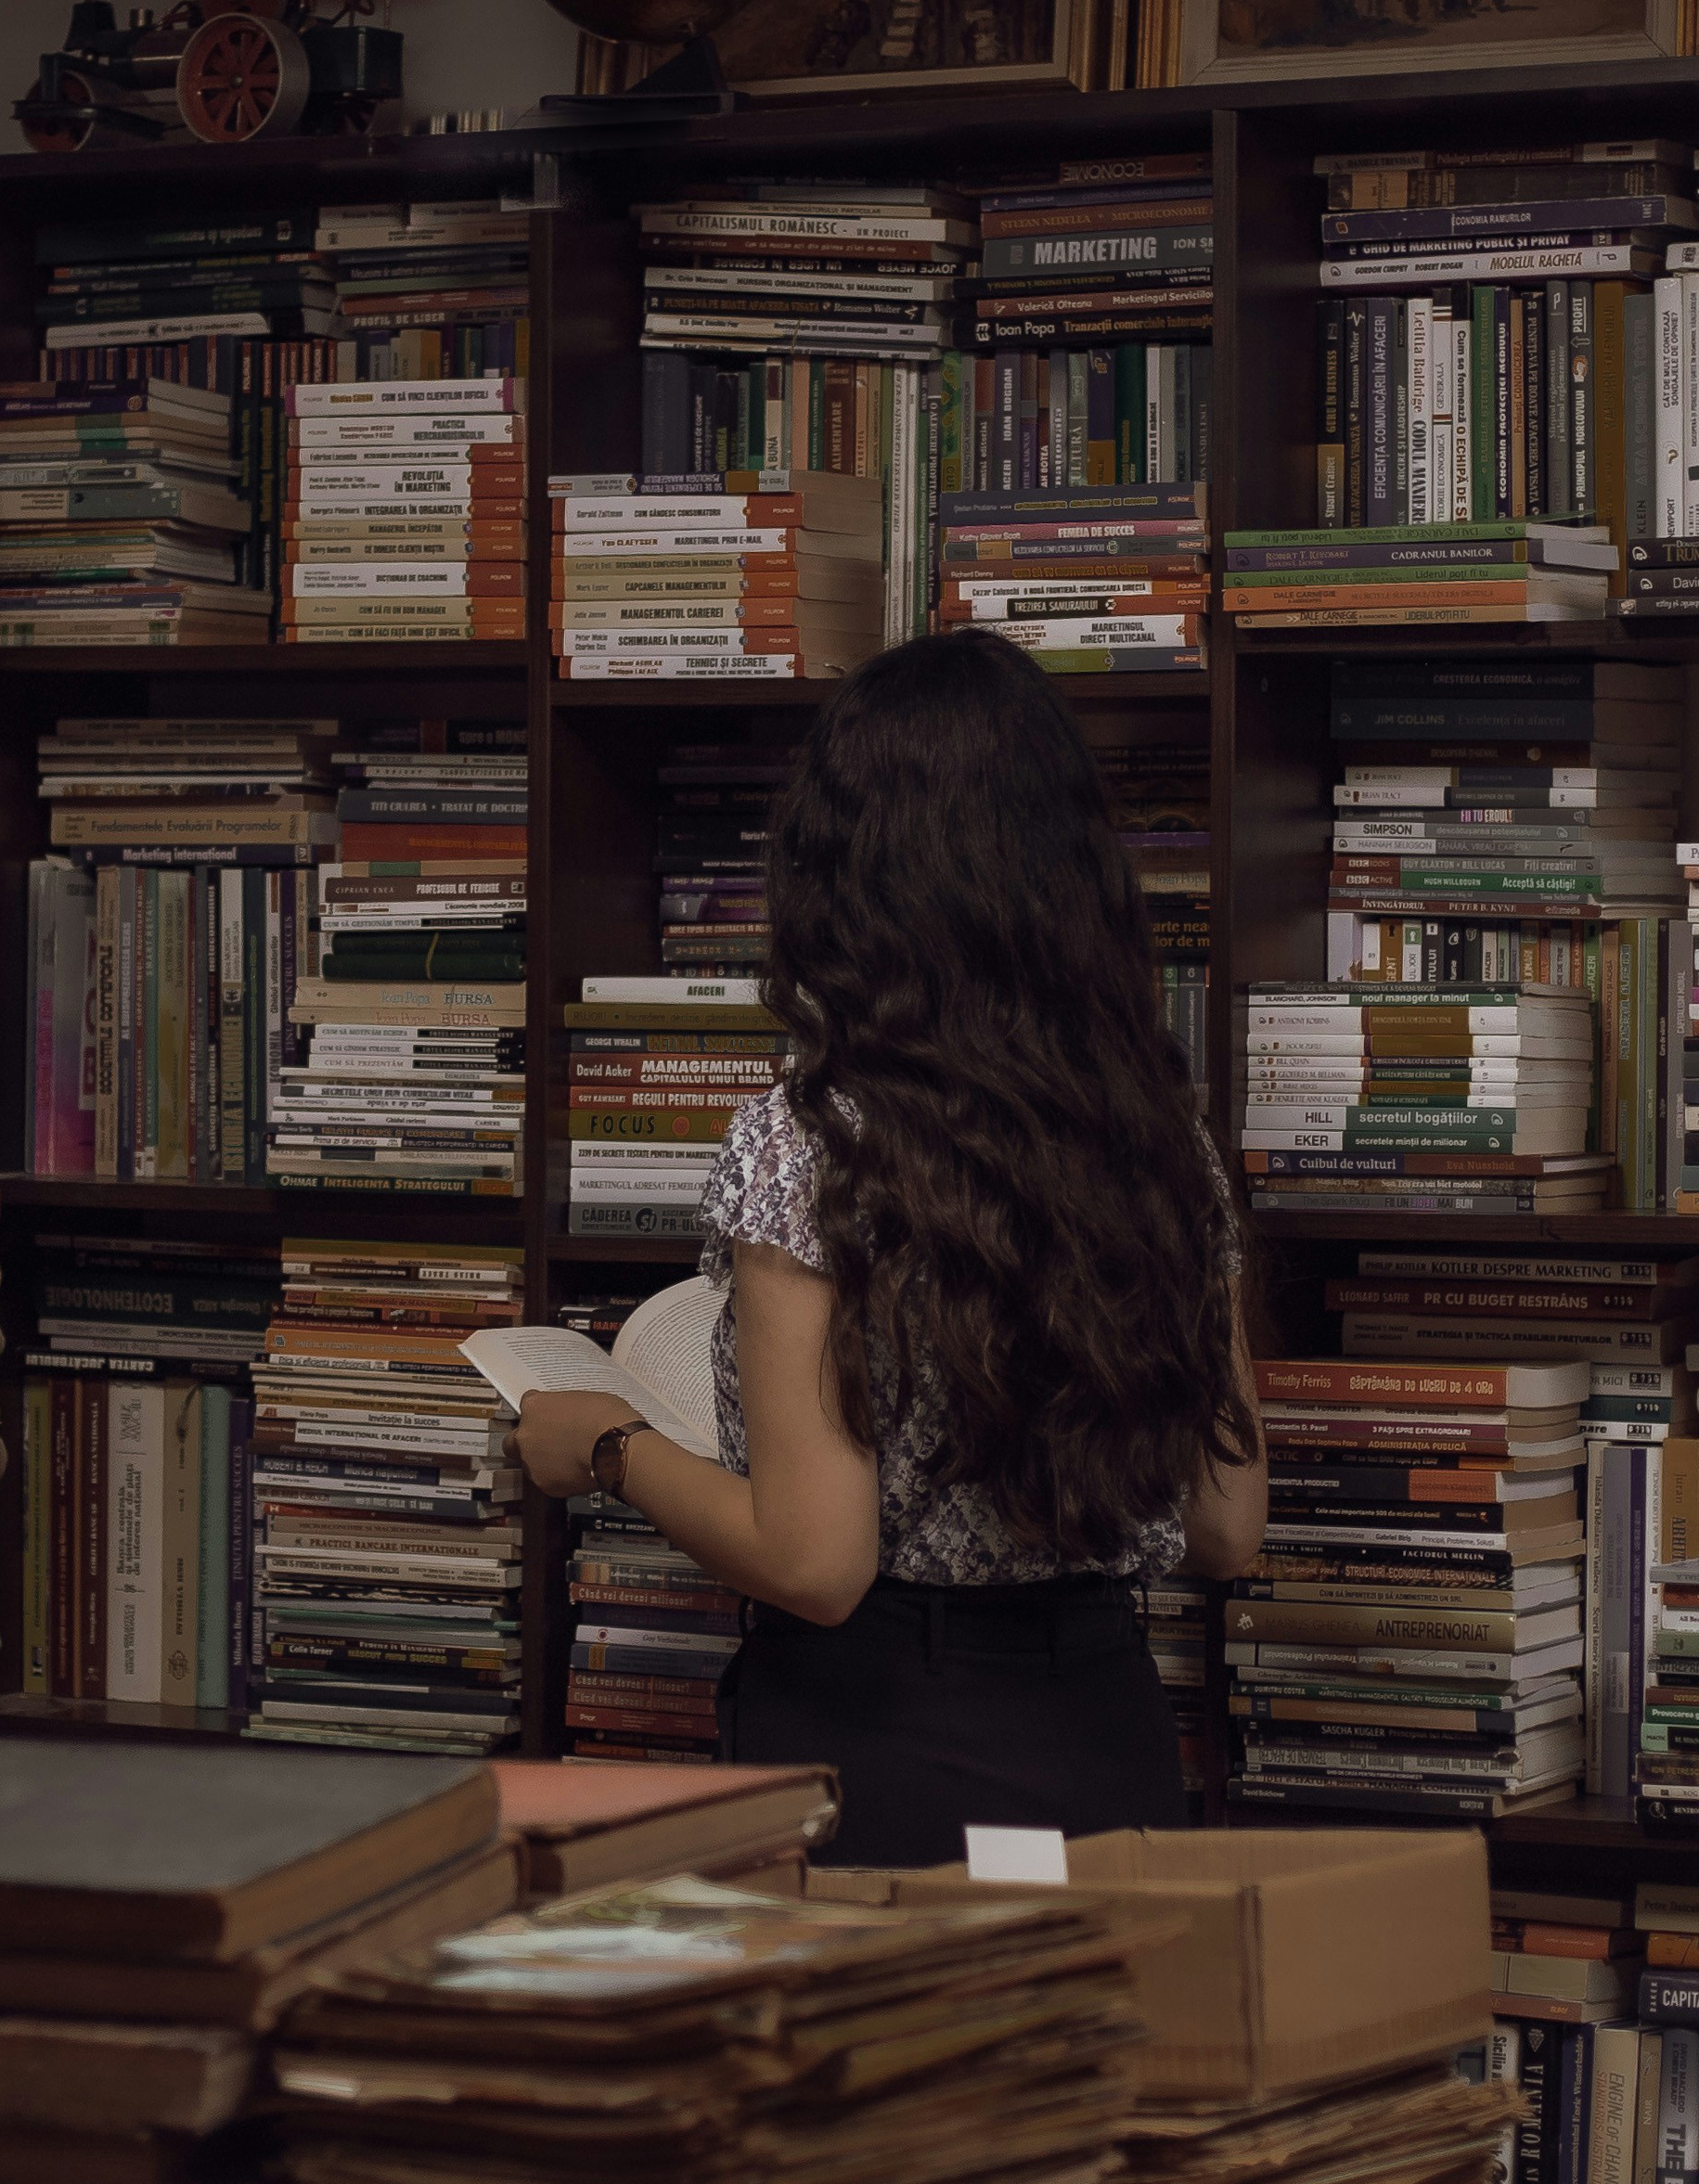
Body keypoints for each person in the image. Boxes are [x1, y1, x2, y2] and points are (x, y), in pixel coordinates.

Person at [514, 626, 1264, 1867]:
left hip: (877, 1758)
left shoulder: (808, 1141)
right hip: (1109, 1752)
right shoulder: (1157, 1135)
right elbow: (1229, 1526)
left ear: (839, 871)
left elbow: (814, 1563)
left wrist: (603, 1447)